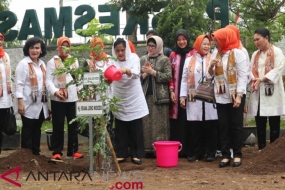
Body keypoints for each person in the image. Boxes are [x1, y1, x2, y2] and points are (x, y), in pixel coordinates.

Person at [208, 28, 248, 168]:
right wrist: (211, 68)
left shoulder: (238, 53)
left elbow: (243, 76)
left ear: (225, 39)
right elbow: (209, 76)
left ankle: (237, 154)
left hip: (235, 95)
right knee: (223, 126)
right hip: (220, 95)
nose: (215, 44)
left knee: (236, 125)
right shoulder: (215, 53)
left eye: (217, 41)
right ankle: (226, 155)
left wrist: (239, 96)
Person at [109, 38, 148, 165]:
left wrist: (127, 70)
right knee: (120, 127)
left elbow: (137, 72)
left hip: (134, 96)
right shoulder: (111, 60)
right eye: (117, 51)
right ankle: (122, 153)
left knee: (135, 127)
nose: (120, 53)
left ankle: (136, 154)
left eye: (122, 50)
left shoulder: (134, 57)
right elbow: (109, 76)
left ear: (127, 49)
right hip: (119, 96)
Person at [180, 34, 218, 162]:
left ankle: (211, 152)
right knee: (195, 126)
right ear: (198, 44)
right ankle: (196, 152)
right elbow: (184, 79)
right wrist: (182, 96)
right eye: (204, 44)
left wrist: (212, 67)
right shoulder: (189, 60)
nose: (207, 46)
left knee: (210, 125)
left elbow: (215, 77)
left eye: (208, 44)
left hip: (209, 97)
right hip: (194, 98)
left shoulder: (213, 58)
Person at [46, 36, 83, 161]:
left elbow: (78, 79)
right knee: (58, 125)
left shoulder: (74, 60)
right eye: (63, 45)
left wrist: (80, 91)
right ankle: (57, 151)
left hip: (72, 98)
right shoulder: (52, 62)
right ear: (58, 47)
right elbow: (48, 81)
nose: (65, 48)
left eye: (67, 45)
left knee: (73, 125)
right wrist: (55, 92)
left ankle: (73, 151)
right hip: (58, 100)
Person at [248, 27, 285, 150]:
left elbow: (278, 69)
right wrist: (253, 79)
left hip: (272, 92)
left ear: (266, 38)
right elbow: (251, 70)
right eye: (254, 40)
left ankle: (273, 150)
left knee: (274, 122)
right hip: (259, 92)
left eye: (258, 39)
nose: (256, 42)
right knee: (260, 122)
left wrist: (262, 79)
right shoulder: (255, 54)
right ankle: (261, 148)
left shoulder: (277, 52)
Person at [14, 36, 49, 155]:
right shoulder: (23, 64)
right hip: (27, 103)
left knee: (37, 128)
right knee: (28, 128)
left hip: (40, 103)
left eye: (37, 48)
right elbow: (19, 84)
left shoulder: (42, 64)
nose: (34, 50)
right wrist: (20, 102)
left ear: (41, 50)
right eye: (32, 48)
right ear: (27, 50)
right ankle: (26, 155)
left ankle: (36, 153)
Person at [140, 35, 172, 154]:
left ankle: (160, 150)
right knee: (146, 124)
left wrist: (153, 72)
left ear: (158, 46)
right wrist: (145, 73)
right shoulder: (142, 59)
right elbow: (137, 78)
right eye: (149, 45)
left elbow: (168, 76)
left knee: (160, 125)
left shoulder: (164, 59)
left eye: (153, 46)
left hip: (160, 98)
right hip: (145, 97)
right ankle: (147, 149)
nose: (151, 48)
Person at [169, 29, 195, 157]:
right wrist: (172, 90)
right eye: (179, 40)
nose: (181, 42)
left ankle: (189, 149)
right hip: (176, 90)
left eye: (183, 39)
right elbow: (170, 74)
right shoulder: (173, 55)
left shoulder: (193, 53)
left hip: (190, 91)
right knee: (177, 120)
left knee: (189, 118)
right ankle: (177, 149)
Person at [0, 33, 13, 153]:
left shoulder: (6, 56)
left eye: (1, 39)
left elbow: (7, 78)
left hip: (4, 99)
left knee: (1, 128)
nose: (0, 42)